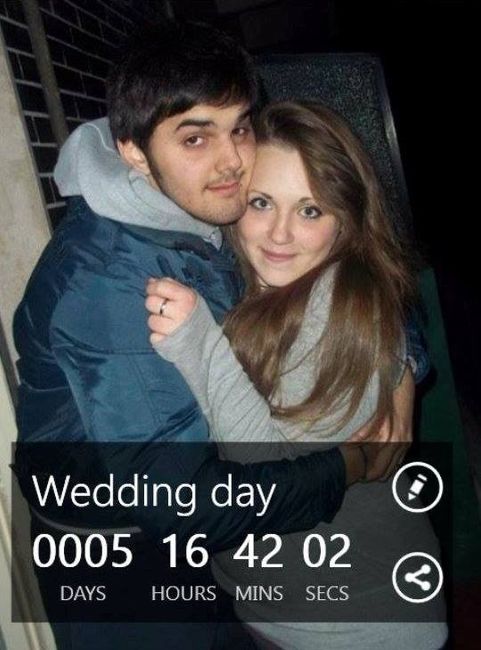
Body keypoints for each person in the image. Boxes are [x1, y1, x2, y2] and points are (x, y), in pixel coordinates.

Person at [12, 21, 408, 650]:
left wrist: (399, 362)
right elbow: (178, 506)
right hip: (130, 571)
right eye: (196, 137)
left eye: (240, 128)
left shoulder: (196, 210)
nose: (232, 163)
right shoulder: (110, 287)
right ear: (133, 152)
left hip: (220, 547)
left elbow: (339, 250)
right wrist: (346, 466)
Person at [145, 102, 448, 649]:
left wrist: (199, 345)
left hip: (356, 622)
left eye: (310, 210)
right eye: (261, 202)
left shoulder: (341, 304)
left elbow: (270, 473)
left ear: (345, 220)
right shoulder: (252, 282)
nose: (280, 234)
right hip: (287, 607)